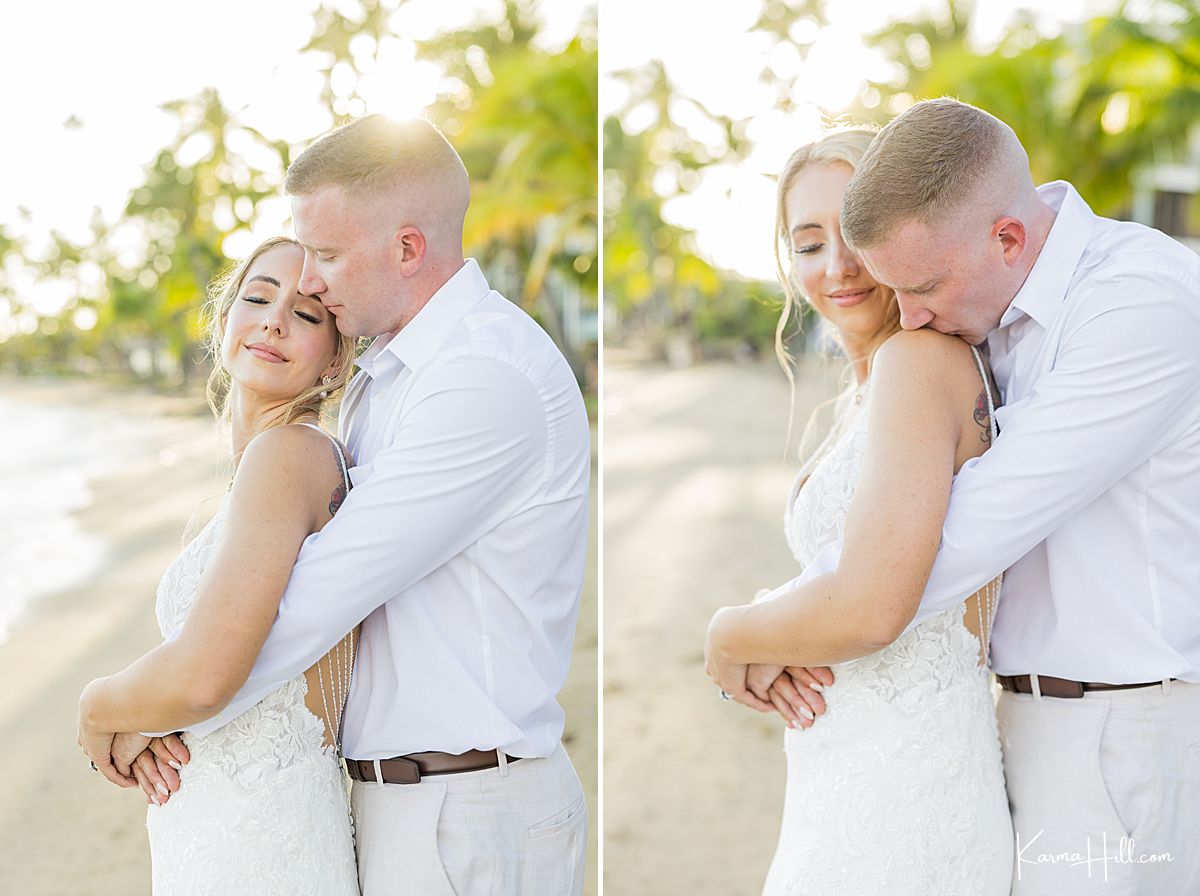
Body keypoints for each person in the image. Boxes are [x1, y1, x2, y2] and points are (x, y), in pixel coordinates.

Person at [86, 115, 592, 896]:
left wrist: (118, 707)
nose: (309, 284)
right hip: (381, 804)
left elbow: (297, 615)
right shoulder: (380, 389)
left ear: (407, 248)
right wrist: (168, 702)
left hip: (467, 814)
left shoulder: (481, 376)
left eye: (324, 256)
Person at [727, 98, 1200, 895]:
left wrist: (747, 629)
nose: (909, 312)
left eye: (920, 284)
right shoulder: (989, 311)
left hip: (1122, 730)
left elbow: (947, 544)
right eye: (809, 242)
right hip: (1014, 725)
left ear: (1007, 238)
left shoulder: (1136, 300)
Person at [703, 128, 1014, 894]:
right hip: (844, 772)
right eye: (808, 243)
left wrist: (728, 634)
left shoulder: (920, 362)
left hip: (906, 791)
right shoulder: (869, 389)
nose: (836, 266)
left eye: (854, 235)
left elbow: (873, 607)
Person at [78, 235, 362, 893]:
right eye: (257, 298)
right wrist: (152, 720)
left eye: (307, 313)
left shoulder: (288, 455)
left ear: (335, 358)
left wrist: (98, 708)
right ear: (225, 320)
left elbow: (206, 677)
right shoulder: (280, 466)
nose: (273, 319)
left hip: (260, 849)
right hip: (232, 836)